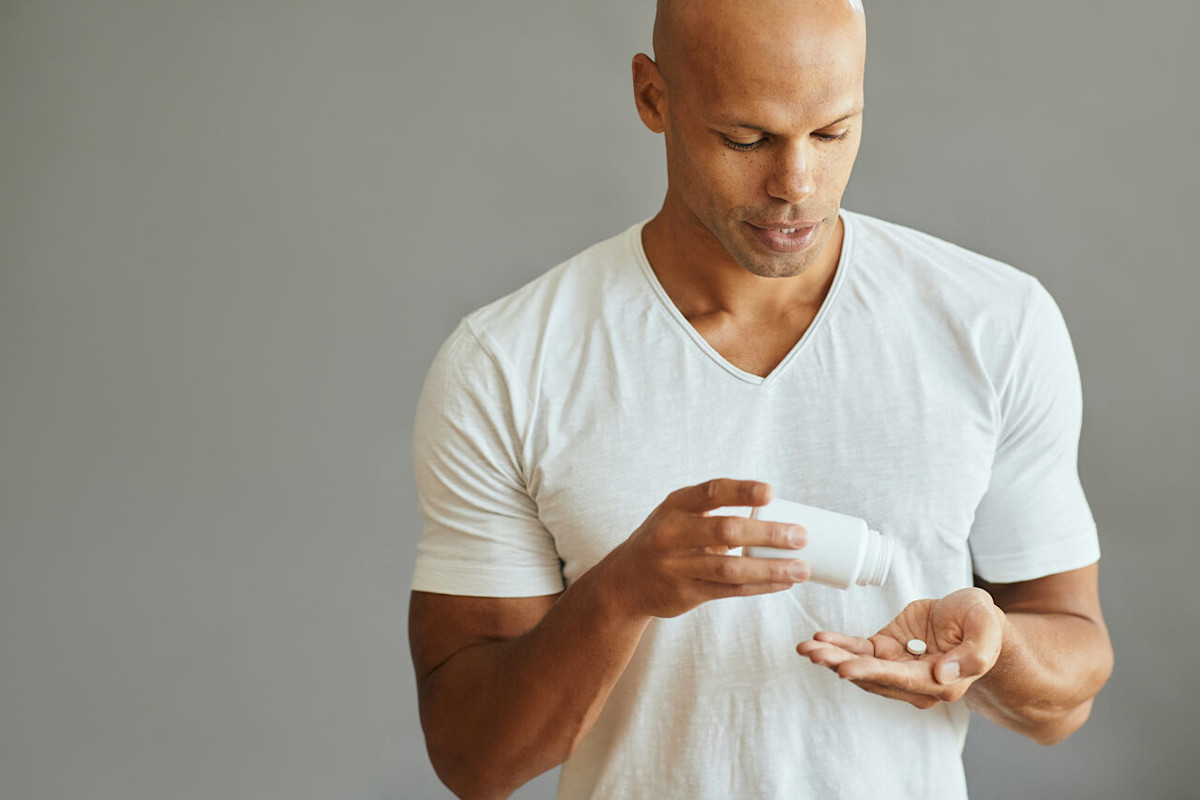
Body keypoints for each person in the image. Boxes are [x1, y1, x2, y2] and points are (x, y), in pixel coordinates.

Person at [408, 0, 1113, 797]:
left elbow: (1066, 692)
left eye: (833, 132)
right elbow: (473, 760)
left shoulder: (994, 325)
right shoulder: (509, 364)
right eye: (746, 139)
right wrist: (622, 592)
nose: (796, 186)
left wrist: (994, 653)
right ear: (653, 98)